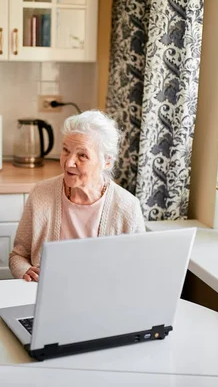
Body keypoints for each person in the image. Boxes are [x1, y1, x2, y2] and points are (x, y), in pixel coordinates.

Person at [9, 110, 146, 282]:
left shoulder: (128, 207)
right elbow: (17, 256)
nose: (69, 162)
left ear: (107, 162)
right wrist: (26, 271)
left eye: (82, 155)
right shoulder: (41, 194)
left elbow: (138, 270)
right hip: (48, 295)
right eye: (66, 150)